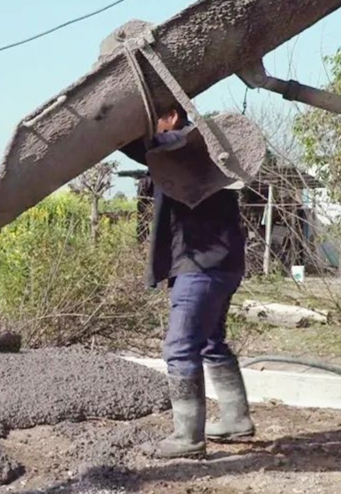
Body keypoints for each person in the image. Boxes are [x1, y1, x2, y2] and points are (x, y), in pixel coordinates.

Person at [120, 106, 254, 459]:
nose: (153, 132)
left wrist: (111, 118)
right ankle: (236, 418)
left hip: (201, 265)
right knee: (211, 341)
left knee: (180, 348)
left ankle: (187, 438)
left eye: (157, 122)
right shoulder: (208, 151)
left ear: (173, 117)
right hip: (222, 263)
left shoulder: (183, 146)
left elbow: (136, 145)